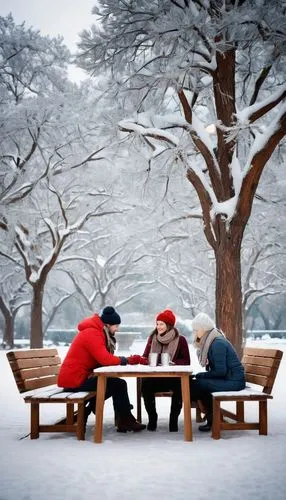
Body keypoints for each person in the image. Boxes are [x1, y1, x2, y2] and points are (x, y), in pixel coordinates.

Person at [57, 306, 146, 433]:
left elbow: (102, 359)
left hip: (78, 377)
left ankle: (92, 412)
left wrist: (124, 360)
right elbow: (104, 359)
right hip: (74, 381)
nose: (117, 329)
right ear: (108, 325)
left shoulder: (97, 331)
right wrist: (126, 360)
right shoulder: (93, 333)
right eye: (116, 326)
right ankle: (124, 419)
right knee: (118, 384)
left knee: (114, 383)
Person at [190, 312, 245, 432]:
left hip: (233, 381)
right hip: (228, 378)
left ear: (203, 329)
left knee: (195, 386)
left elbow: (221, 371)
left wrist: (202, 375)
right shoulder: (210, 340)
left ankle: (213, 419)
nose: (194, 333)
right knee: (196, 384)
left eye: (196, 330)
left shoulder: (217, 343)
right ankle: (212, 418)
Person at [141, 309, 190, 432]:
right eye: (157, 324)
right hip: (155, 378)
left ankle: (173, 420)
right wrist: (149, 360)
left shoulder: (181, 340)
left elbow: (186, 361)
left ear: (169, 325)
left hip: (173, 378)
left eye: (161, 324)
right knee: (145, 385)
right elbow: (145, 356)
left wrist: (172, 363)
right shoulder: (152, 338)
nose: (158, 327)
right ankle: (153, 418)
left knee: (180, 387)